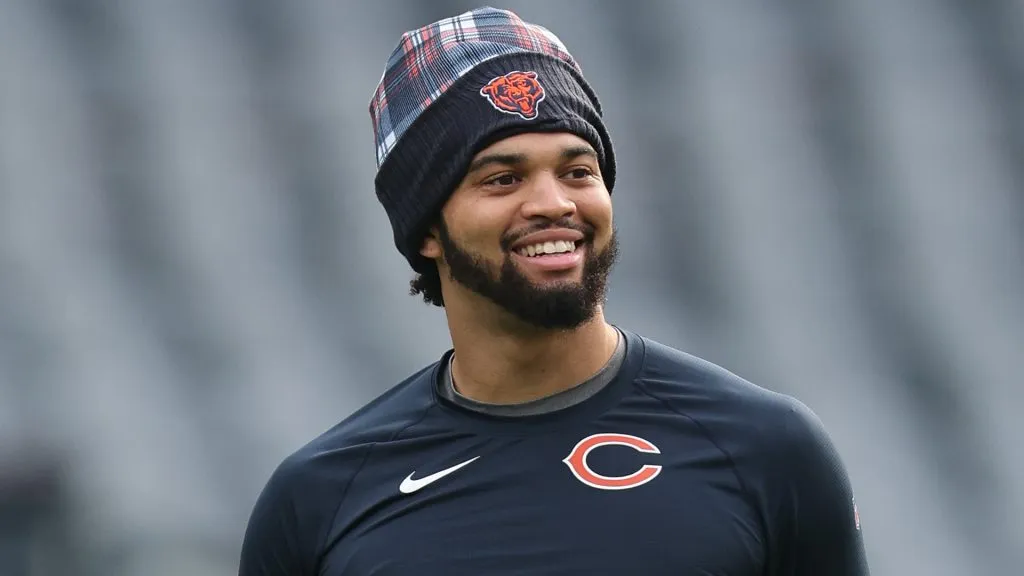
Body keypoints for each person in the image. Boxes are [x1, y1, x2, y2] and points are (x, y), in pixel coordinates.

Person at [238, 6, 870, 575]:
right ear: (427, 229)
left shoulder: (764, 450)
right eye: (502, 179)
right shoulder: (320, 500)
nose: (553, 204)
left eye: (577, 171)